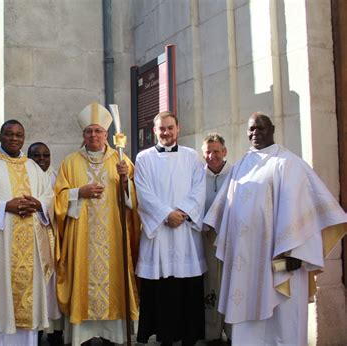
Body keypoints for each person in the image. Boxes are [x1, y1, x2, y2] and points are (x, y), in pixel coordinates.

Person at [204, 112, 347, 346]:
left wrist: (294, 252)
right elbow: (224, 207)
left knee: (283, 321)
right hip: (246, 261)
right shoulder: (241, 165)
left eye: (260, 128)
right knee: (248, 319)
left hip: (281, 258)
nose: (255, 134)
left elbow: (302, 210)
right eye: (251, 129)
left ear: (272, 129)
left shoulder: (289, 163)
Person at [54, 102, 140, 345]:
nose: (93, 135)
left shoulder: (121, 160)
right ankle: (83, 335)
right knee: (82, 278)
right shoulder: (70, 162)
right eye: (89, 131)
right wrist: (78, 192)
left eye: (98, 131)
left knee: (115, 279)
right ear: (83, 135)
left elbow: (134, 201)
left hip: (114, 235)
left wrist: (126, 181)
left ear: (106, 135)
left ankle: (114, 334)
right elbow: (58, 197)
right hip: (81, 237)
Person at [0, 119, 56, 345]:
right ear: (0, 137)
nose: (14, 138)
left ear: (23, 138)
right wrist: (5, 206)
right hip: (0, 243)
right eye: (9, 134)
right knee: (0, 291)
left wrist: (38, 205)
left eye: (19, 135)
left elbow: (49, 195)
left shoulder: (33, 167)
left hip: (31, 241)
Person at [134, 111, 206, 345]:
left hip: (184, 230)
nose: (166, 132)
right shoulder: (143, 158)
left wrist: (182, 213)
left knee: (187, 285)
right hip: (159, 232)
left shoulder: (192, 156)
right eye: (161, 128)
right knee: (161, 286)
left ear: (178, 128)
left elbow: (199, 188)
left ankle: (188, 335)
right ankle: (163, 335)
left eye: (170, 127)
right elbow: (142, 192)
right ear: (154, 131)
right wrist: (166, 214)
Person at [28, 141, 64, 346]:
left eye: (46, 155)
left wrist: (42, 205)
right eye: (36, 156)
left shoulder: (57, 176)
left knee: (52, 288)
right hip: (30, 241)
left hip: (52, 237)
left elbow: (62, 202)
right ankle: (36, 329)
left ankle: (55, 332)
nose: (42, 159)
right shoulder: (24, 174)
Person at [200, 133, 231, 343]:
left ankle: (233, 330)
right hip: (207, 238)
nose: (213, 156)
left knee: (231, 284)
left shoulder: (236, 174)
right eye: (208, 152)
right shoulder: (197, 176)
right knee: (210, 284)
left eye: (217, 151)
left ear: (225, 152)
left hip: (231, 240)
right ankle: (211, 332)